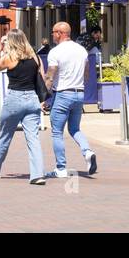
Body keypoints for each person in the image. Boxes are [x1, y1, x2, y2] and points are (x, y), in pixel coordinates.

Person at [0, 29, 46, 184]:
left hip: (15, 98)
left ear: (11, 42)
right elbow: (42, 79)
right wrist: (42, 100)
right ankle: (37, 174)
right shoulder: (36, 58)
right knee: (33, 139)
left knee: (5, 135)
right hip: (32, 98)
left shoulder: (10, 57)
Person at [44, 21, 98, 178]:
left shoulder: (55, 52)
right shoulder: (81, 50)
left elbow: (50, 76)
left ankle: (60, 168)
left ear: (60, 33)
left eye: (54, 32)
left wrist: (44, 96)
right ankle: (87, 151)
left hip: (62, 93)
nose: (52, 35)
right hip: (79, 93)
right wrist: (79, 85)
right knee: (75, 128)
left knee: (57, 132)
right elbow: (87, 74)